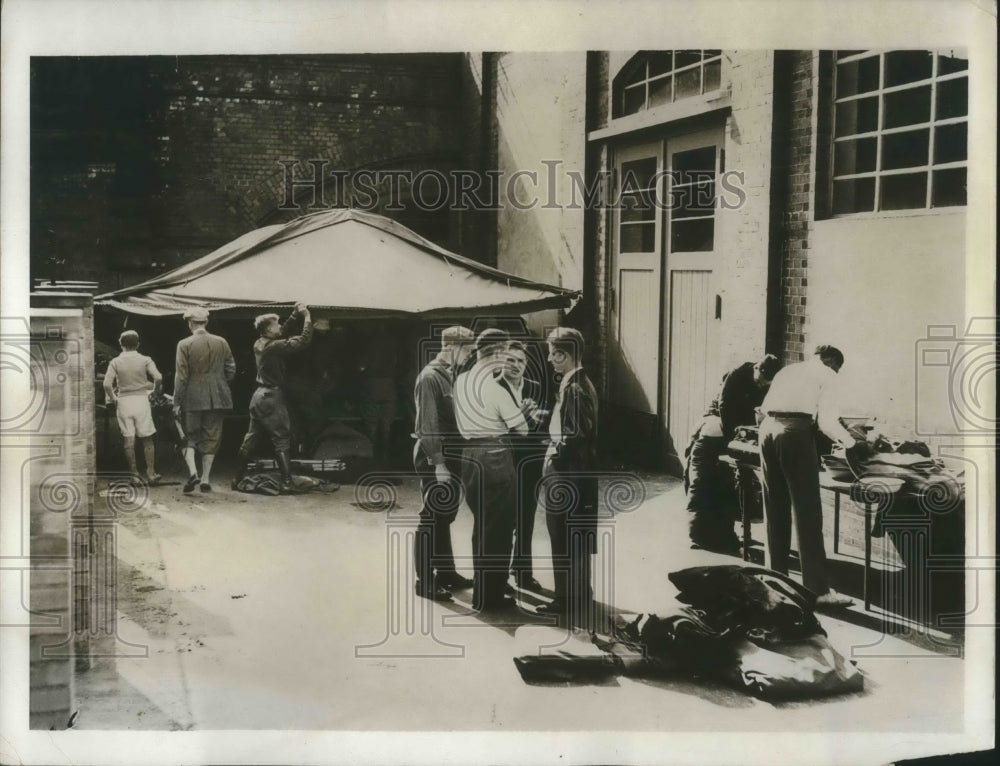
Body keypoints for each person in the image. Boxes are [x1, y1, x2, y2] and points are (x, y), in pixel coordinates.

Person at [758, 345, 863, 609]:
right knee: (807, 512)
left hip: (767, 431)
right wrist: (852, 444)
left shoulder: (788, 370)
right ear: (831, 361)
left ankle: (775, 583)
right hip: (793, 434)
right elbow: (827, 421)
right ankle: (817, 591)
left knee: (775, 507)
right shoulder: (827, 374)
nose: (837, 372)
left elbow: (764, 408)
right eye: (838, 367)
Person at [452, 328, 535, 612]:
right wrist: (522, 413)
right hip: (495, 455)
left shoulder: (461, 380)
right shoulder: (493, 387)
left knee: (482, 524)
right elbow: (522, 430)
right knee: (498, 527)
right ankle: (491, 597)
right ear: (497, 352)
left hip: (469, 455)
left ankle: (482, 593)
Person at [684, 354, 782, 553]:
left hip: (731, 436)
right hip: (713, 432)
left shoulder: (764, 383)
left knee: (726, 487)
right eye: (761, 381)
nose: (762, 386)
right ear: (757, 368)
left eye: (766, 384)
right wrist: (733, 438)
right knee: (701, 483)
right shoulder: (736, 376)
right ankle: (699, 535)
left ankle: (724, 535)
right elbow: (724, 406)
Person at [536, 327, 599, 628]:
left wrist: (552, 457)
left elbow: (574, 435)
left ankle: (564, 600)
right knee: (578, 534)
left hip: (566, 473)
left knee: (561, 534)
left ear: (563, 355)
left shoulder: (573, 388)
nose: (549, 360)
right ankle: (580, 593)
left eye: (552, 354)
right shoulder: (581, 384)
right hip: (580, 472)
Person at [412, 325, 476, 602]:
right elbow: (428, 425)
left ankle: (446, 573)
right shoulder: (430, 377)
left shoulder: (452, 374)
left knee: (444, 517)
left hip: (453, 455)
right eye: (468, 349)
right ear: (451, 347)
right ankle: (424, 581)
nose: (471, 354)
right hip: (436, 456)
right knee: (431, 517)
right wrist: (438, 464)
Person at [234, 302, 313, 494]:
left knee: (250, 439)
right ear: (269, 329)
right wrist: (307, 317)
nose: (279, 327)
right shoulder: (274, 347)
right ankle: (287, 482)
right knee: (282, 439)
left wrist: (294, 316)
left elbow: (281, 332)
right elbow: (303, 341)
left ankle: (237, 478)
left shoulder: (260, 343)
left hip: (258, 397)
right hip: (272, 397)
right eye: (276, 324)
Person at [496, 340, 548, 593]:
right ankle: (499, 576)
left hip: (531, 461)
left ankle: (523, 573)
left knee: (526, 517)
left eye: (520, 361)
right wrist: (521, 418)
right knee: (503, 519)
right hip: (502, 462)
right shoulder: (492, 388)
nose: (516, 366)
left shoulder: (536, 388)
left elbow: (544, 426)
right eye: (510, 360)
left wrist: (538, 419)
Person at [173, 306, 237, 493]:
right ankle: (205, 478)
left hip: (192, 397)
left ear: (190, 323)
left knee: (189, 435)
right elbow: (231, 369)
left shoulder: (184, 344)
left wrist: (177, 401)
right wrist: (220, 384)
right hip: (218, 397)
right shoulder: (222, 342)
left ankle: (193, 472)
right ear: (206, 322)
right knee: (212, 436)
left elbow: (181, 376)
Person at [103, 330, 163, 485]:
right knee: (147, 438)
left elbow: (106, 384)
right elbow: (158, 377)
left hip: (124, 402)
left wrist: (113, 398)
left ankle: (134, 475)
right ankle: (150, 473)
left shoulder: (115, 362)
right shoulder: (145, 359)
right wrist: (155, 393)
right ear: (138, 344)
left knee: (128, 440)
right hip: (141, 400)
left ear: (121, 344)